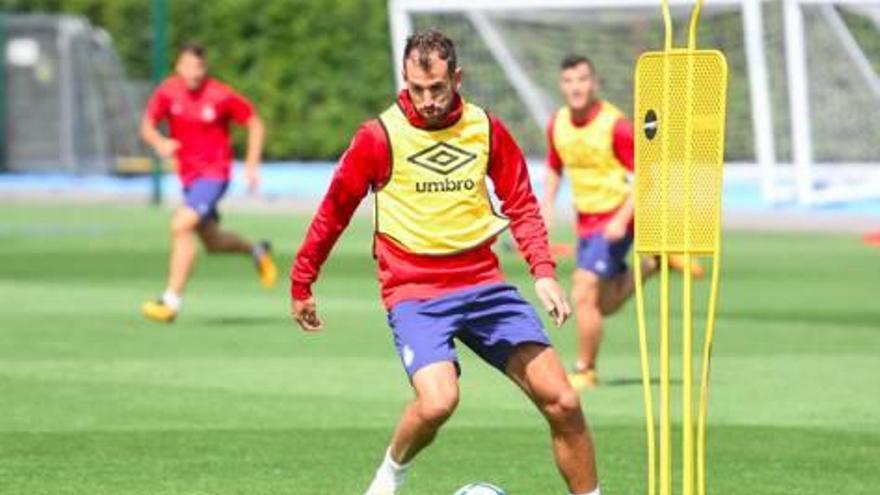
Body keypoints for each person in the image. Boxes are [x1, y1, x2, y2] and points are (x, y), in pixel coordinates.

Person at [290, 30, 601, 495]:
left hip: (485, 286)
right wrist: (302, 282)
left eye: (437, 87)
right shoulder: (379, 137)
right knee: (438, 403)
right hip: (416, 293)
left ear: (457, 77)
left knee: (564, 401)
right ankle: (390, 474)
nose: (428, 99)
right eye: (417, 89)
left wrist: (542, 272)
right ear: (405, 79)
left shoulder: (486, 128)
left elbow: (520, 201)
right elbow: (334, 210)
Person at [542, 55, 701, 390]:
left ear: (594, 83)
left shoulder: (616, 125)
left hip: (617, 217)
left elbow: (647, 173)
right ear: (561, 85)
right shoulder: (557, 123)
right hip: (586, 221)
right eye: (569, 81)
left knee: (583, 292)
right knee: (604, 303)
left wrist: (621, 219)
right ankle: (653, 264)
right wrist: (547, 205)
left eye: (583, 80)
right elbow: (555, 166)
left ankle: (585, 369)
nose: (576, 87)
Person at [140, 43, 277, 323]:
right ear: (178, 66)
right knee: (213, 242)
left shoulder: (219, 95)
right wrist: (159, 141)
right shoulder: (168, 91)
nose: (194, 73)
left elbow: (254, 123)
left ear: (205, 68)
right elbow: (147, 125)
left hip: (215, 176)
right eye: (188, 66)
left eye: (199, 67)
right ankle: (256, 250)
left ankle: (170, 302)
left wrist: (251, 166)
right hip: (189, 179)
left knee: (180, 225)